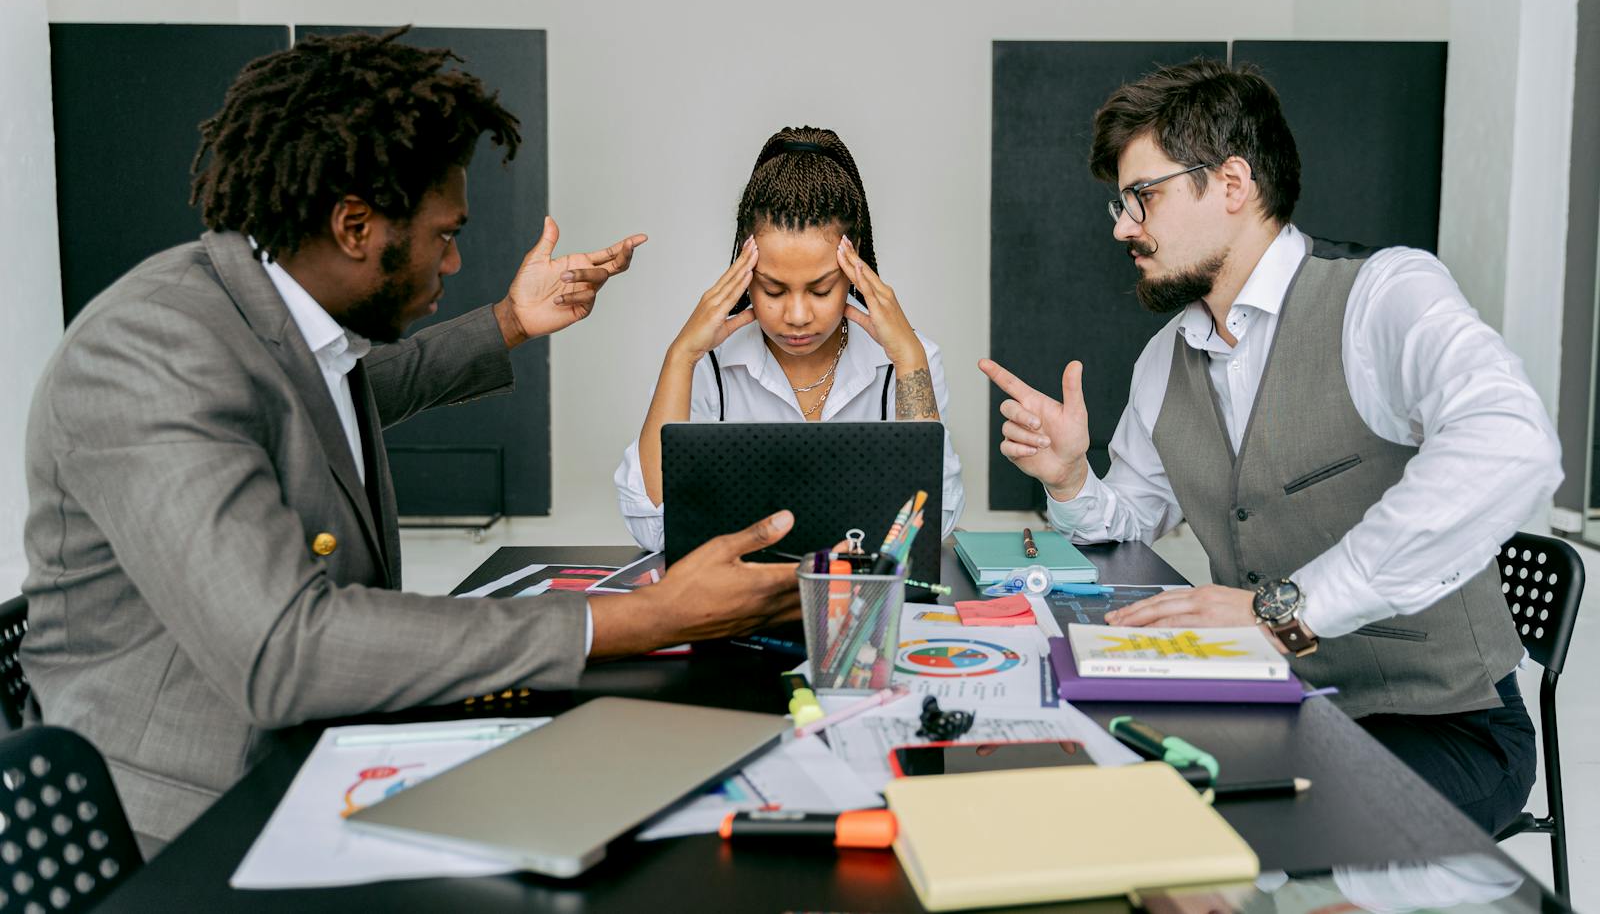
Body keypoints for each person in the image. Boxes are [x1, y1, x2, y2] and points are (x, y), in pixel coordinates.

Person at [21, 29, 801, 853]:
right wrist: (636, 618)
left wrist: (510, 322)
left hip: (310, 761)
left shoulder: (267, 321)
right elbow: (286, 648)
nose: (456, 259)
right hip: (185, 827)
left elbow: (355, 393)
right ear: (356, 225)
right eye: (444, 235)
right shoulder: (150, 351)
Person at [980, 58, 1559, 834]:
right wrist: (1072, 477)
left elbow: (1512, 441)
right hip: (1273, 701)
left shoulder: (1382, 296)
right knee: (1087, 787)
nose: (1123, 225)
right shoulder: (1166, 358)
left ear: (1231, 182)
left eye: (1140, 197)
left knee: (1215, 832)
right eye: (1119, 204)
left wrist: (1284, 610)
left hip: (1446, 725)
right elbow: (1132, 521)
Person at [616, 127, 965, 550]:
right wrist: (680, 356)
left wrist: (909, 359)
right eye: (773, 290)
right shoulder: (704, 363)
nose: (796, 316)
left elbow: (929, 525)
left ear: (854, 270)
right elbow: (654, 527)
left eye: (821, 290)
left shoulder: (911, 360)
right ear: (744, 276)